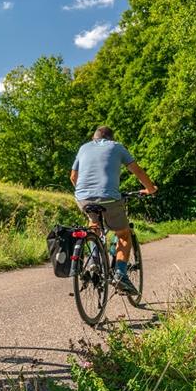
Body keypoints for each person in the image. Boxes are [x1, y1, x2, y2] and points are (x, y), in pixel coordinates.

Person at [70, 126, 157, 294]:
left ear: (94, 138)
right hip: (109, 198)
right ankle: (120, 275)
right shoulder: (116, 146)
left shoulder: (83, 148)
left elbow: (73, 177)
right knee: (124, 234)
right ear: (110, 138)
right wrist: (150, 188)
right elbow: (137, 170)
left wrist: (87, 193)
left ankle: (94, 261)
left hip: (82, 198)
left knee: (93, 224)